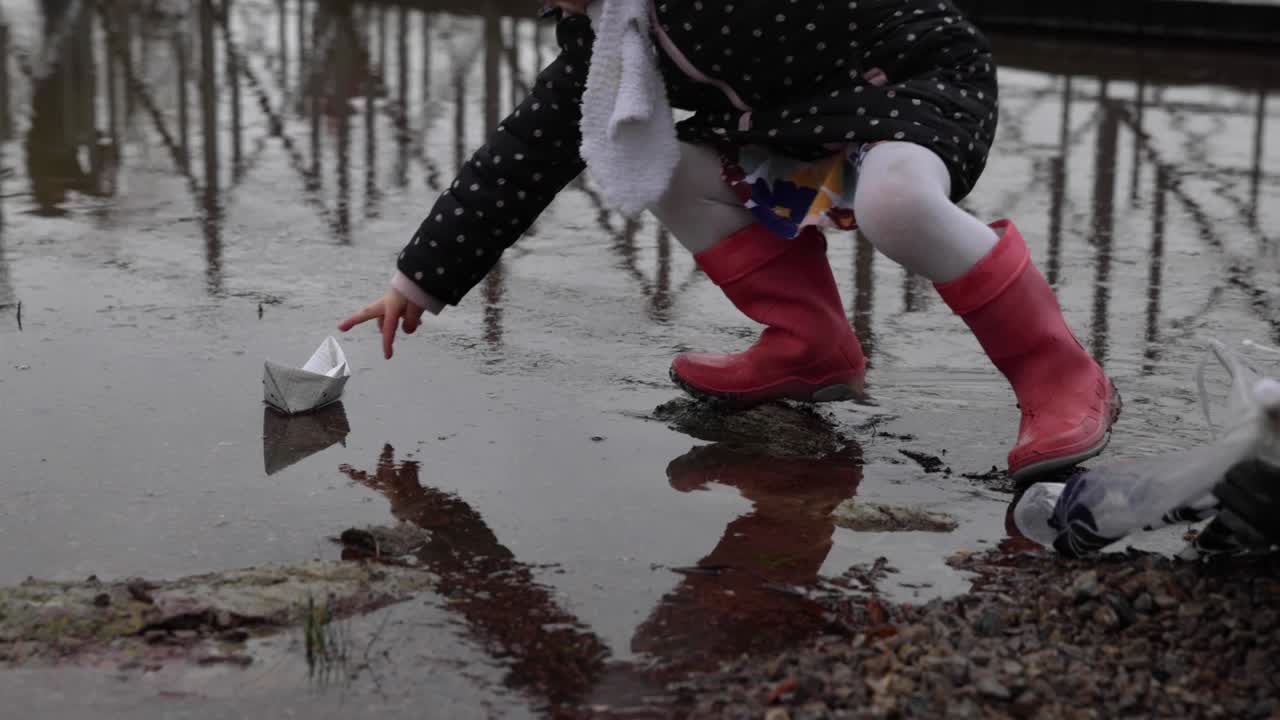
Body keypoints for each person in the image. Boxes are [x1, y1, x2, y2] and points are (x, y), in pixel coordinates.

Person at [339, 0, 1121, 482]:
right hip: (791, 121)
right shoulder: (608, 31)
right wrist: (417, 282)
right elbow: (532, 147)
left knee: (896, 205)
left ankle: (1061, 377)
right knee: (662, 164)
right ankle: (809, 345)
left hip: (912, 83)